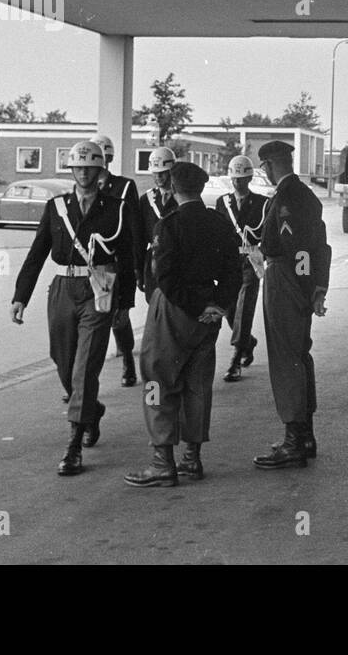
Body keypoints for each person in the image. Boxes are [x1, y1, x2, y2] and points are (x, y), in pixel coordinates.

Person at [11, 141, 131, 477]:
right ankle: (91, 409)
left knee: (84, 367)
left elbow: (129, 254)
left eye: (90, 168)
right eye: (78, 168)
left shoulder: (116, 207)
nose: (83, 173)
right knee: (62, 361)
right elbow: (37, 253)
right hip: (63, 287)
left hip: (100, 288)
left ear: (100, 170)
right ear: (71, 171)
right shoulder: (56, 207)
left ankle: (75, 443)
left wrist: (126, 303)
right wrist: (21, 296)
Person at [125, 161, 241, 487]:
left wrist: (193, 307)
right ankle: (192, 458)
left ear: (173, 188)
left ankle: (162, 460)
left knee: (156, 378)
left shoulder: (168, 225)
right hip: (210, 309)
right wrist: (217, 305)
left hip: (174, 309)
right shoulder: (218, 222)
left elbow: (164, 277)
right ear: (201, 188)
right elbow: (234, 269)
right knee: (198, 383)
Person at [252, 140, 330, 470]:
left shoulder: (286, 197)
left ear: (269, 165)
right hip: (295, 281)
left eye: (265, 167)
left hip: (284, 279)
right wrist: (315, 288)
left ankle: (294, 441)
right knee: (299, 355)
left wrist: (299, 287)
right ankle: (305, 435)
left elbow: (296, 247)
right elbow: (318, 245)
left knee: (286, 359)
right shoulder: (305, 194)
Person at [89, 132, 144, 388]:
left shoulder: (124, 186)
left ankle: (128, 362)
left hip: (114, 261)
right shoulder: (82, 187)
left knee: (117, 316)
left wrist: (134, 263)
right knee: (91, 317)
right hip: (89, 263)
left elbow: (133, 226)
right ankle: (85, 377)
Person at [213, 154, 268, 381]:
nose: (238, 183)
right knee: (228, 306)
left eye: (242, 178)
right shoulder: (222, 202)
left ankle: (235, 358)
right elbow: (218, 233)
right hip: (229, 262)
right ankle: (248, 341)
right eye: (234, 178)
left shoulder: (263, 203)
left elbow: (266, 233)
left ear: (249, 178)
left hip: (250, 260)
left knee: (245, 306)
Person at [138, 146, 177, 300]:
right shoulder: (146, 200)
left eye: (163, 173)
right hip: (153, 260)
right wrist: (139, 269)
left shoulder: (181, 197)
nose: (159, 177)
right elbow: (140, 238)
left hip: (176, 261)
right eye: (156, 173)